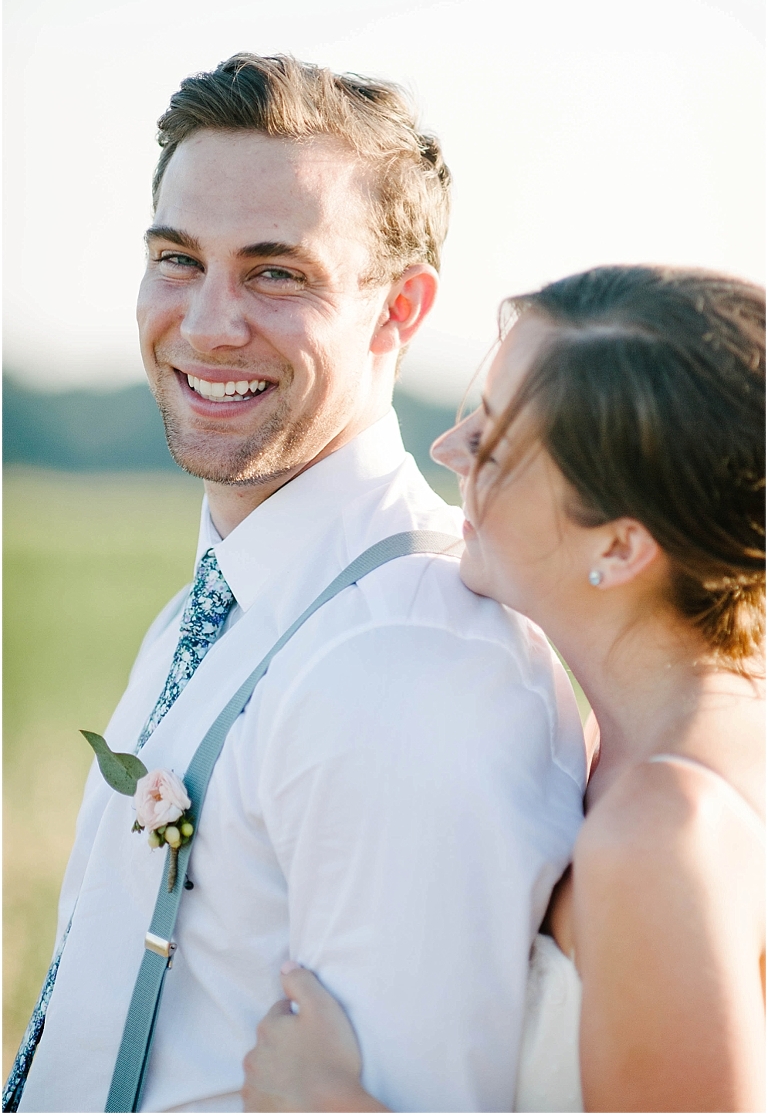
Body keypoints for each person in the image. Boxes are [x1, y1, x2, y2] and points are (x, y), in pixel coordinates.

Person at [8, 55, 586, 1113]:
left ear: (399, 312)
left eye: (278, 273)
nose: (211, 323)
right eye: (178, 258)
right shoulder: (218, 601)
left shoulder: (413, 661)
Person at [242, 265, 766, 1113]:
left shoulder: (659, 834)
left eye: (493, 446)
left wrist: (334, 1103)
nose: (448, 451)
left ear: (623, 547)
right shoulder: (655, 747)